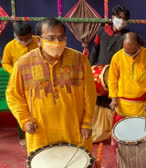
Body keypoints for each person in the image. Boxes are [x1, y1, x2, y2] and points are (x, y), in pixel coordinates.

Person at [6, 18, 97, 154]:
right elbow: (13, 95)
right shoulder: (23, 64)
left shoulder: (80, 60)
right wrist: (25, 120)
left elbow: (90, 94)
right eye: (51, 38)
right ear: (38, 40)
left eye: (61, 38)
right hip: (40, 134)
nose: (57, 43)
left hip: (75, 130)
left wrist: (87, 122)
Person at [89, 5, 130, 143]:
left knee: (113, 101)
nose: (121, 21)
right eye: (119, 17)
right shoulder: (101, 31)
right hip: (100, 74)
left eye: (125, 19)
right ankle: (99, 134)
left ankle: (113, 134)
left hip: (117, 75)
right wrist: (91, 68)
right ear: (113, 17)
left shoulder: (126, 36)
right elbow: (94, 50)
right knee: (99, 100)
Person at [108, 32, 146, 121]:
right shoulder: (117, 57)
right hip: (122, 105)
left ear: (139, 45)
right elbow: (112, 80)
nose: (130, 55)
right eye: (127, 52)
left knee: (141, 133)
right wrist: (113, 99)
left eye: (134, 52)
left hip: (143, 104)